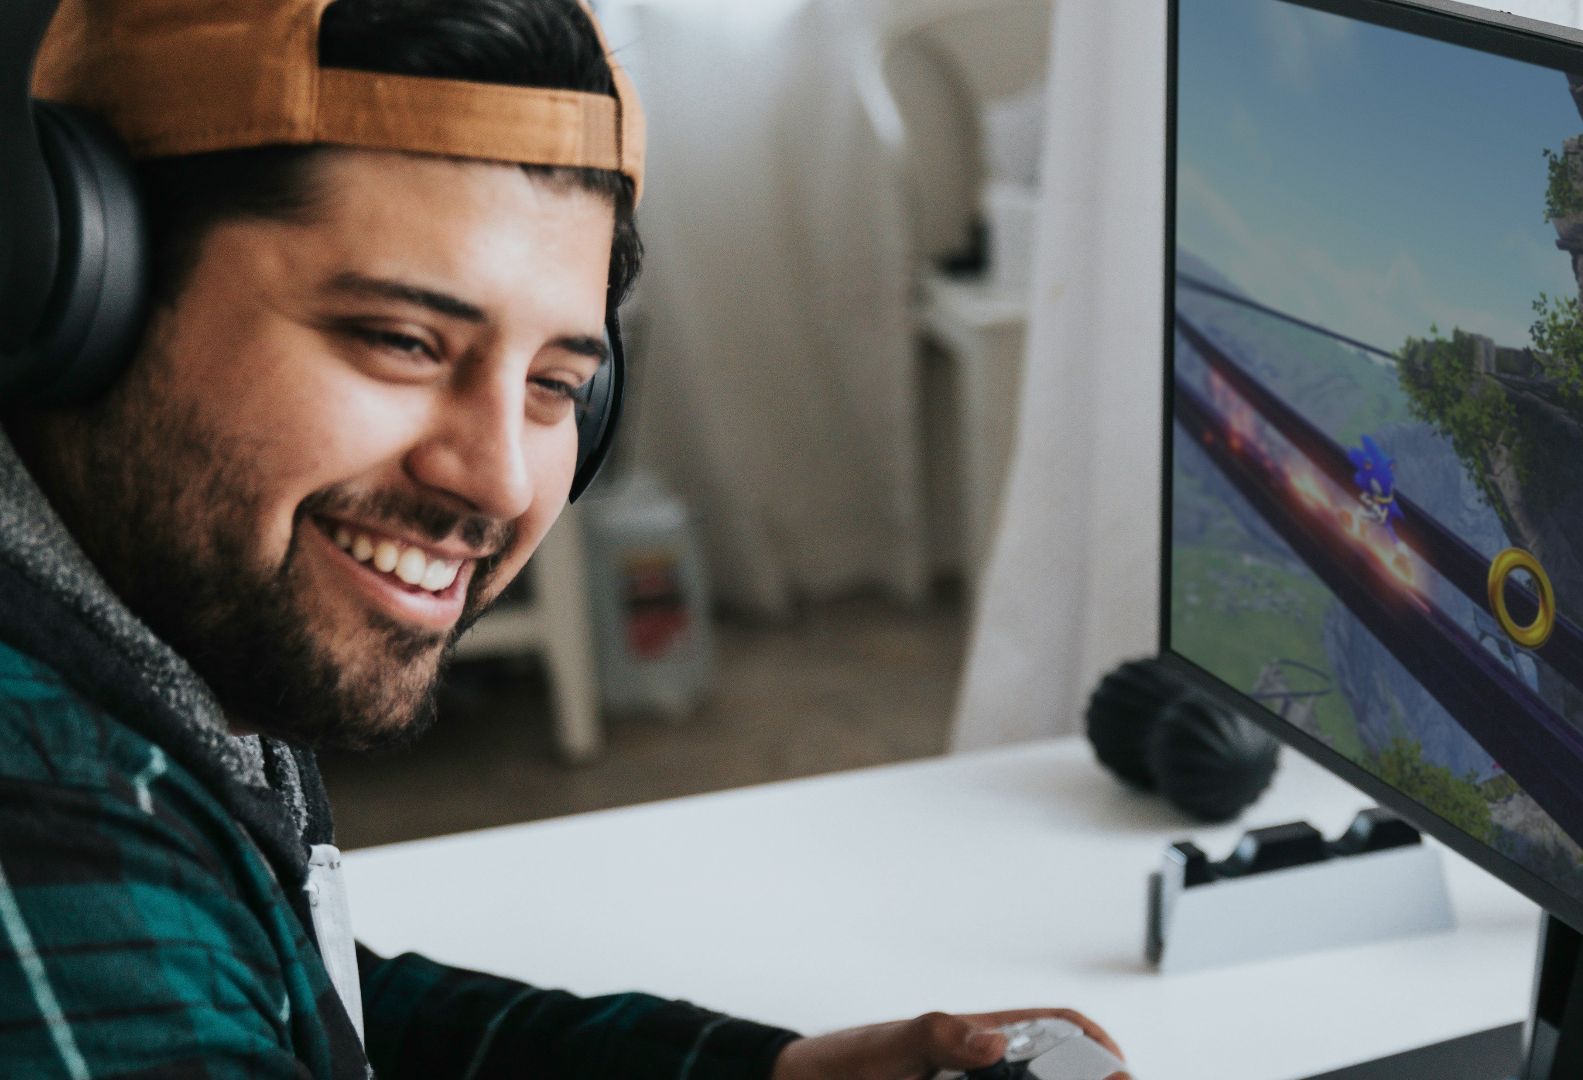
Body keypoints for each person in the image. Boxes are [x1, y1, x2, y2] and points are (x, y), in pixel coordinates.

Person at [0, 1, 1130, 1077]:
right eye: (399, 340)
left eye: (554, 385)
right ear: (64, 284)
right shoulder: (49, 824)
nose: (494, 477)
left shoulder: (168, 623)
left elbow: (303, 992)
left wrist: (761, 1072)